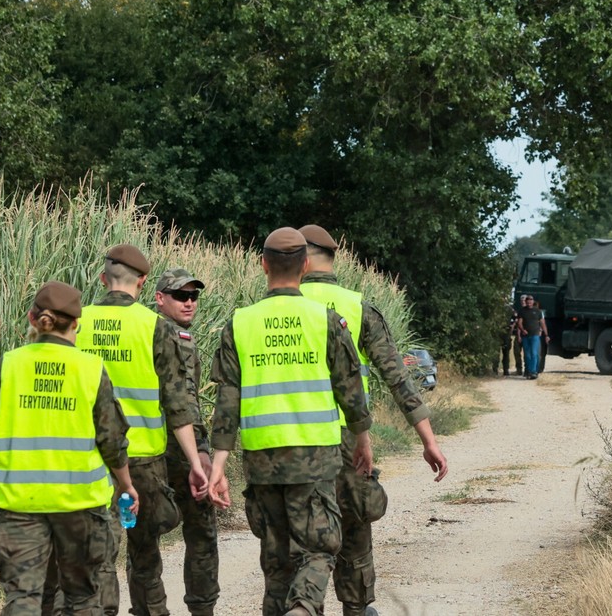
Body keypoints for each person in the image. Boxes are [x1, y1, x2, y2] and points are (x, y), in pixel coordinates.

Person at [206, 227, 374, 616]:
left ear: (263, 265)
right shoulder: (325, 320)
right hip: (314, 456)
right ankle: (303, 609)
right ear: (305, 266)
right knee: (319, 547)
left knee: (276, 558)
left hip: (262, 460)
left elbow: (226, 401)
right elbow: (350, 388)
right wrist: (363, 440)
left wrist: (218, 466)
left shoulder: (240, 322)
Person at [0, 281, 138, 616]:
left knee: (22, 598)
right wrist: (126, 485)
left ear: (32, 318)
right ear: (76, 324)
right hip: (81, 506)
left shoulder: (10, 365)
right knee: (82, 598)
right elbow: (111, 442)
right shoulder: (91, 369)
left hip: (19, 504)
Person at [298, 224, 449, 616]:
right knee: (355, 521)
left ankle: (299, 605)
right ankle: (357, 607)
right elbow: (397, 375)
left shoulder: (276, 307)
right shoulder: (355, 305)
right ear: (333, 259)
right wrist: (428, 439)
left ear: (300, 258)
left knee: (299, 531)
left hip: (291, 439)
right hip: (350, 440)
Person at [75, 244, 209, 616]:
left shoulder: (77, 321)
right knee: (144, 553)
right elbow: (177, 403)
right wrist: (195, 461)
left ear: (104, 280)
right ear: (144, 282)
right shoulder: (156, 328)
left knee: (98, 554)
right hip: (143, 460)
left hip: (88, 458)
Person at [152, 268, 220, 616]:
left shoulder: (174, 335)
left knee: (146, 537)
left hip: (149, 450)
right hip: (174, 450)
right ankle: (202, 609)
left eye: (194, 296)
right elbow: (185, 403)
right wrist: (202, 454)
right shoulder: (169, 337)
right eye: (181, 295)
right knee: (201, 531)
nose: (190, 302)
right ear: (160, 298)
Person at [517, 295, 548, 380]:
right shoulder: (522, 311)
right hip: (525, 336)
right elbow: (519, 323)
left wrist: (546, 335)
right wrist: (523, 330)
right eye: (528, 301)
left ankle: (533, 371)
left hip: (535, 335)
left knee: (534, 353)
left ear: (533, 301)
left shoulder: (538, 311)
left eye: (531, 301)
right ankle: (528, 371)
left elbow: (542, 323)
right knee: (527, 355)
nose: (529, 302)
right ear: (526, 302)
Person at [499, 299, 518, 377]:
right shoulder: (495, 308)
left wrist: (512, 325)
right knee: (496, 352)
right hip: (497, 331)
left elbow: (516, 318)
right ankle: (494, 368)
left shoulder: (509, 309)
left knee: (506, 352)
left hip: (506, 331)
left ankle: (506, 369)